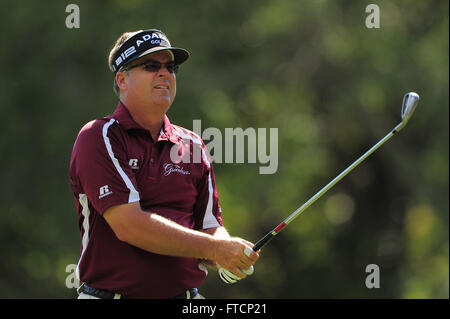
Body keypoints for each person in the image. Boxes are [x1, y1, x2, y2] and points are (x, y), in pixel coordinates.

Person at [69, 29, 259, 299]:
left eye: (170, 67)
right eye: (150, 66)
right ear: (122, 79)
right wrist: (214, 249)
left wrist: (228, 251)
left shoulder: (192, 145)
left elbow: (209, 225)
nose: (164, 73)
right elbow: (129, 225)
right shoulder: (100, 136)